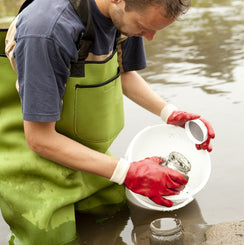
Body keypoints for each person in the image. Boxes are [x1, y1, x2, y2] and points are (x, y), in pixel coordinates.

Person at [0, 0, 215, 244]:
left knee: (111, 217)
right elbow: (39, 139)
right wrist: (129, 171)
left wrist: (169, 113)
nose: (150, 38)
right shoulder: (47, 30)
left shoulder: (125, 18)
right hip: (34, 163)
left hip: (88, 153)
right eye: (144, 27)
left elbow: (122, 73)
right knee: (53, 238)